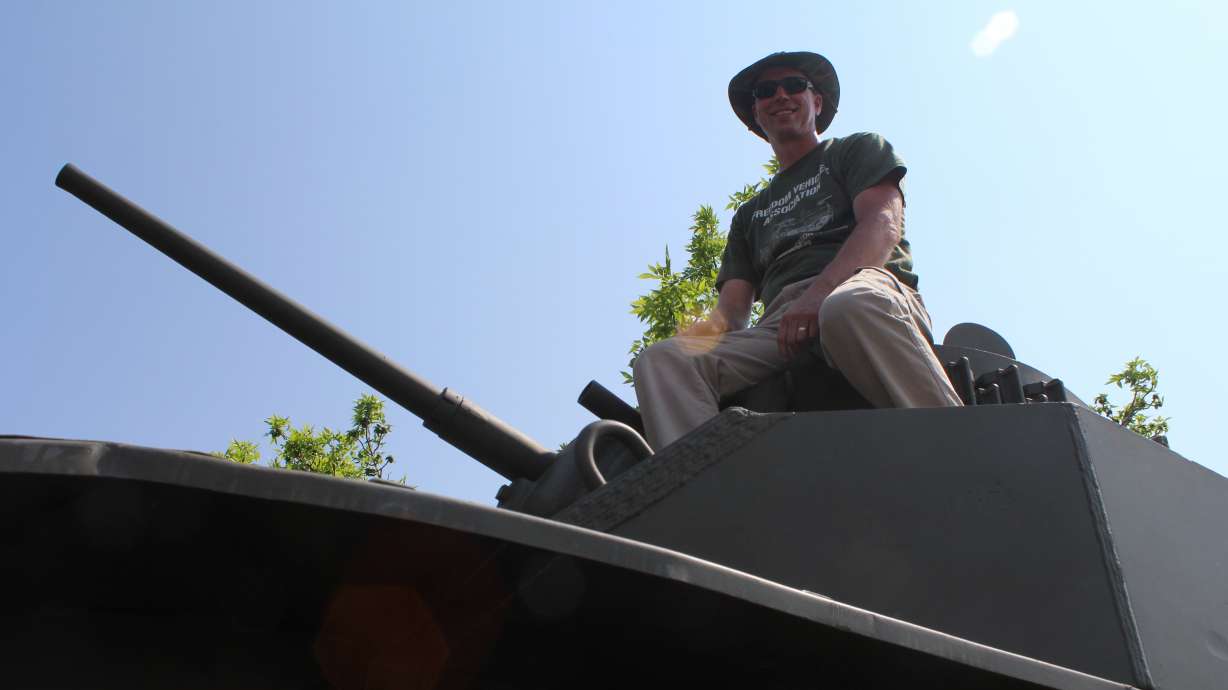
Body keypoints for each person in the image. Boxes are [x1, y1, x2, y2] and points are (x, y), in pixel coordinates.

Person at [633, 51, 963, 451]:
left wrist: (818, 294)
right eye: (766, 91)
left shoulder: (854, 150)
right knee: (663, 361)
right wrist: (695, 340)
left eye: (794, 86)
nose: (780, 96)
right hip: (781, 325)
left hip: (865, 288)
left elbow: (882, 226)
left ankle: (961, 447)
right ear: (757, 114)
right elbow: (732, 313)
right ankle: (712, 495)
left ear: (816, 102)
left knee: (847, 307)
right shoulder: (749, 215)